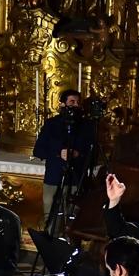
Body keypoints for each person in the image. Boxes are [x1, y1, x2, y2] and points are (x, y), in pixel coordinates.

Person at [32, 89, 96, 222]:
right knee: (50, 216)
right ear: (63, 104)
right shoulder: (51, 124)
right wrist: (58, 153)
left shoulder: (87, 126)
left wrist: (78, 154)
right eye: (72, 102)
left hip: (75, 179)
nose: (75, 105)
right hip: (54, 177)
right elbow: (38, 150)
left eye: (78, 102)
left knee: (72, 218)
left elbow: (93, 153)